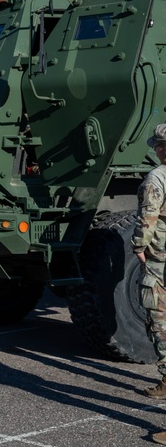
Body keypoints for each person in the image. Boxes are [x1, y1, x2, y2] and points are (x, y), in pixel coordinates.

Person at [133, 123, 166, 405]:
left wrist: (139, 246)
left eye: (156, 146)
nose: (154, 150)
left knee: (158, 318)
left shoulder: (156, 178)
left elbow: (149, 217)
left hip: (161, 259)